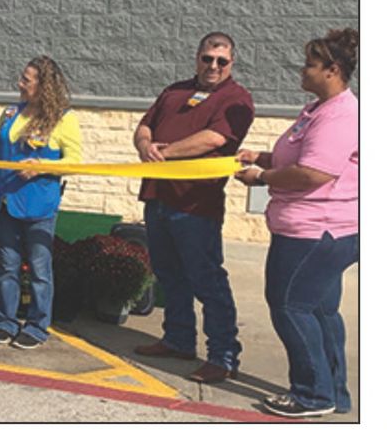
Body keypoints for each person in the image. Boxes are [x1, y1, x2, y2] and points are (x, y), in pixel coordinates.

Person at [234, 28, 358, 419]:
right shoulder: (318, 109)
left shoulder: (341, 114)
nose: (301, 71)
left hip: (315, 231)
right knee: (318, 310)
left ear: (332, 70)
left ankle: (312, 395)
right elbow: (298, 158)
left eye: (310, 64)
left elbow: (314, 173)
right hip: (317, 230)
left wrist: (262, 177)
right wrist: (264, 156)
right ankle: (333, 391)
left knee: (288, 305)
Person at [132, 31, 254, 383]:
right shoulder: (175, 90)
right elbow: (145, 126)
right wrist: (145, 146)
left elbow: (215, 139)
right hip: (158, 198)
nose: (213, 66)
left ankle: (223, 355)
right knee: (170, 274)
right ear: (197, 57)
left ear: (231, 63)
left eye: (221, 61)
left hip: (195, 204)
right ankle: (178, 339)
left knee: (207, 279)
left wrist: (164, 153)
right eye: (207, 58)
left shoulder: (237, 99)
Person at [0, 56, 80, 349]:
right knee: (8, 265)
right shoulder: (11, 113)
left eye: (26, 79)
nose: (19, 84)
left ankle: (37, 325)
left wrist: (41, 166)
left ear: (43, 85)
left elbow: (74, 161)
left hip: (39, 205)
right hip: (6, 201)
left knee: (39, 268)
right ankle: (6, 321)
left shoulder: (64, 119)